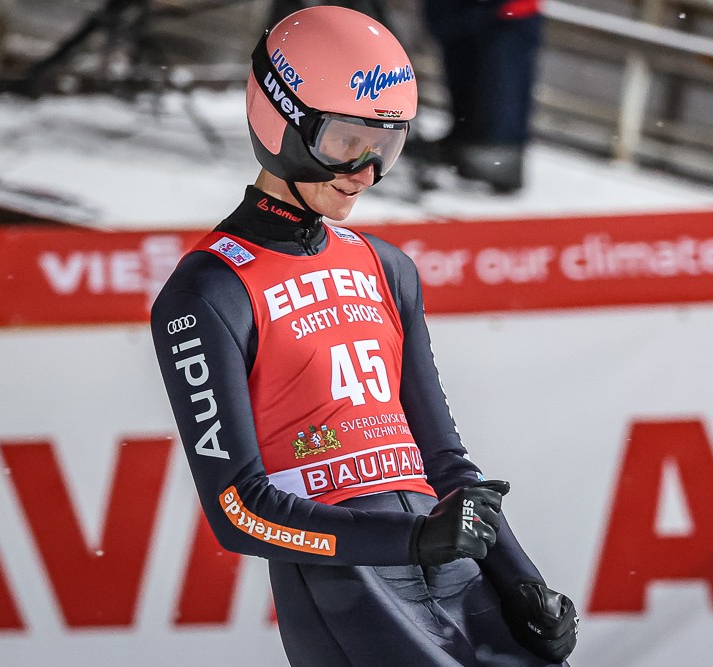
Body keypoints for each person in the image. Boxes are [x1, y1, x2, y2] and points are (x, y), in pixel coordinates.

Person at [149, 6, 578, 666]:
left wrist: (519, 579)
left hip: (457, 570)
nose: (365, 172)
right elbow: (240, 511)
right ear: (280, 118)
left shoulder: (386, 266)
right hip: (351, 589)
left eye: (386, 146)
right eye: (346, 142)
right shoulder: (208, 291)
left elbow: (445, 463)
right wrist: (411, 540)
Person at [411, 0, 544, 193]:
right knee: (469, 59)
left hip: (503, 15)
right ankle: (470, 147)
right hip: (477, 14)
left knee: (497, 70)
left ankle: (493, 153)